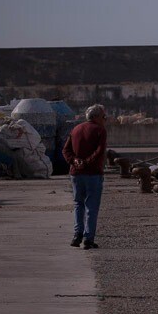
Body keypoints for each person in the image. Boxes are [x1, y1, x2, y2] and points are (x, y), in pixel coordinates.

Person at [63, 104, 108, 249]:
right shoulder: (100, 130)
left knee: (78, 204)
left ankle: (77, 235)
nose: (104, 119)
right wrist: (87, 162)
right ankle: (88, 238)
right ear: (96, 117)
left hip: (76, 174)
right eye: (103, 116)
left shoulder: (76, 129)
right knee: (91, 207)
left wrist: (74, 161)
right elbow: (100, 151)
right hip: (93, 173)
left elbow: (66, 150)